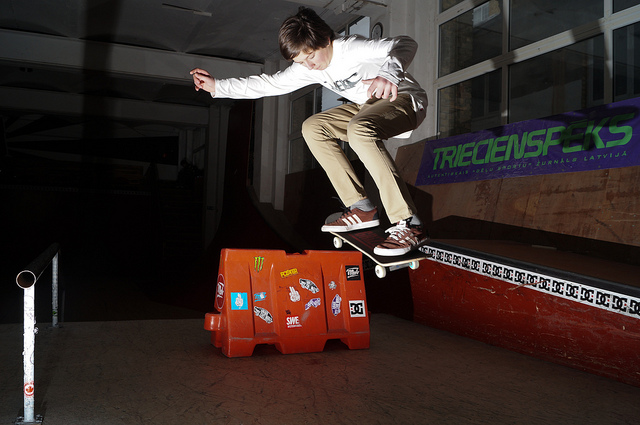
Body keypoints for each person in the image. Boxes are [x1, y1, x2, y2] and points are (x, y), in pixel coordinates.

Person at [190, 8, 428, 256]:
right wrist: (218, 87)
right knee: (313, 127)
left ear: (326, 40)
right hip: (368, 107)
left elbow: (405, 43)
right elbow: (269, 84)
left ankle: (409, 223)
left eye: (311, 57)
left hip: (405, 100)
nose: (309, 66)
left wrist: (388, 73)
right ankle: (361, 207)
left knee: (358, 129)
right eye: (301, 62)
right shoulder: (307, 67)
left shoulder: (350, 47)